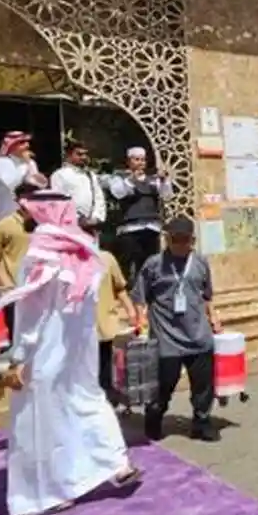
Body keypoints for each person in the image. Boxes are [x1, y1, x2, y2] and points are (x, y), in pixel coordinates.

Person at [0, 189, 142, 515]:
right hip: (80, 351)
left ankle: (46, 494)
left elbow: (31, 315)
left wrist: (16, 356)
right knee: (89, 401)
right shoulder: (87, 250)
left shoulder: (40, 253)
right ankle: (116, 463)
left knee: (42, 422)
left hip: (46, 353)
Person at [132, 216, 222, 442]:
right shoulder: (154, 264)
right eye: (175, 240)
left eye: (185, 240)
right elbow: (140, 296)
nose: (180, 245)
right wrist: (140, 319)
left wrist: (214, 317)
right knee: (163, 385)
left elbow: (207, 295)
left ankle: (201, 423)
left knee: (203, 385)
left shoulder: (200, 263)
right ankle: (154, 420)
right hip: (166, 338)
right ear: (167, 239)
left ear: (193, 241)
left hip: (198, 336)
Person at [106, 147, 172, 286]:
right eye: (137, 159)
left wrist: (164, 180)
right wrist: (131, 179)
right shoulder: (120, 178)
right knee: (127, 263)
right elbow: (119, 193)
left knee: (148, 264)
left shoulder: (152, 179)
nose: (141, 163)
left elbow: (166, 195)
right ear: (129, 161)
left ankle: (145, 292)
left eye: (143, 160)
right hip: (130, 229)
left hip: (151, 228)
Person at [0, 183, 36, 336]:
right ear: (17, 200)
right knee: (12, 329)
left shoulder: (43, 225)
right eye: (25, 198)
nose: (28, 202)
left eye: (33, 198)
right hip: (10, 287)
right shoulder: (4, 225)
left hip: (34, 287)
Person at [94, 231, 137, 408]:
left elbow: (119, 288)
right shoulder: (71, 260)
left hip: (101, 324)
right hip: (91, 327)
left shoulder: (106, 259)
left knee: (104, 363)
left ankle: (105, 397)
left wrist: (131, 311)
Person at [49, 137, 106, 229]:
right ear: (69, 155)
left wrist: (96, 217)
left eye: (85, 154)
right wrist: (77, 219)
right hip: (69, 225)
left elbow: (99, 198)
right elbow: (58, 201)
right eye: (79, 154)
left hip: (91, 224)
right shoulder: (59, 175)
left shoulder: (90, 175)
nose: (83, 157)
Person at [0, 132, 44, 223]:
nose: (27, 145)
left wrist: (29, 164)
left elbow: (40, 185)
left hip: (25, 216)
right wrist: (26, 166)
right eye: (22, 143)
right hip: (5, 215)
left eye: (27, 142)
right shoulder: (1, 162)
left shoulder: (28, 163)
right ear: (11, 146)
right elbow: (11, 184)